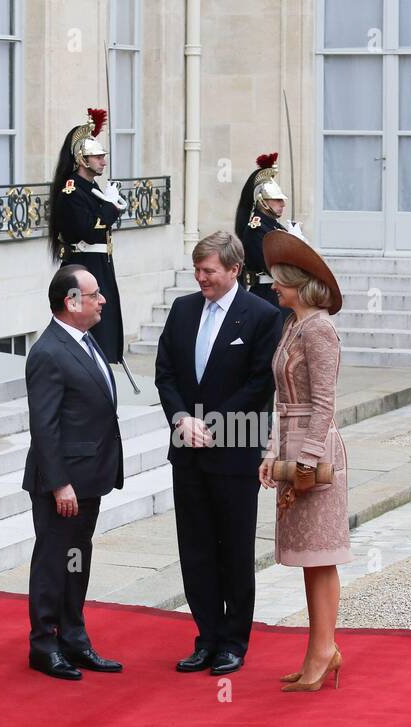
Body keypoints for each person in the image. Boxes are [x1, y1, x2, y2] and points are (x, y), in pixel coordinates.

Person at [154, 232, 282, 676]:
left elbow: (258, 385)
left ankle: (232, 641)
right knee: (196, 548)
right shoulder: (183, 309)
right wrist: (180, 419)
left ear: (233, 270)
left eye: (208, 271)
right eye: (197, 270)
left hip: (234, 452)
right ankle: (206, 637)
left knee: (233, 548)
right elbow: (165, 371)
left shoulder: (263, 315)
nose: (200, 278)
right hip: (187, 451)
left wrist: (210, 424)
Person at [258, 231, 352, 693]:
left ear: (297, 282)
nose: (273, 285)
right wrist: (274, 452)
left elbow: (324, 403)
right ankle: (320, 650)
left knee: (322, 555)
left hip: (315, 448)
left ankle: (323, 651)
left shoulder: (318, 329)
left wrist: (308, 459)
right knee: (308, 558)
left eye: (278, 280)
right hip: (292, 443)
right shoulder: (292, 325)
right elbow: (283, 401)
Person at [22, 265, 125, 681]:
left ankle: (74, 637)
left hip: (89, 477)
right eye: (95, 294)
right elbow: (43, 426)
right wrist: (60, 482)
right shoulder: (48, 351)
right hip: (62, 483)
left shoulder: (84, 340)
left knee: (76, 559)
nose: (103, 300)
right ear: (71, 302)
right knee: (53, 561)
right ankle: (44, 643)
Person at [47, 107, 128, 366]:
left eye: (103, 156)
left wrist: (109, 204)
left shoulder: (91, 188)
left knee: (104, 319)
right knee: (85, 321)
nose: (103, 161)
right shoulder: (72, 191)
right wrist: (111, 207)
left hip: (99, 265)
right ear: (82, 159)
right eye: (97, 157)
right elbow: (86, 231)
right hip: (84, 265)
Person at [235, 153, 307, 310]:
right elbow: (274, 268)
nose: (283, 204)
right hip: (266, 295)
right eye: (277, 199)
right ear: (262, 201)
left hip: (280, 294)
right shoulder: (256, 229)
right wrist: (293, 244)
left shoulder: (274, 226)